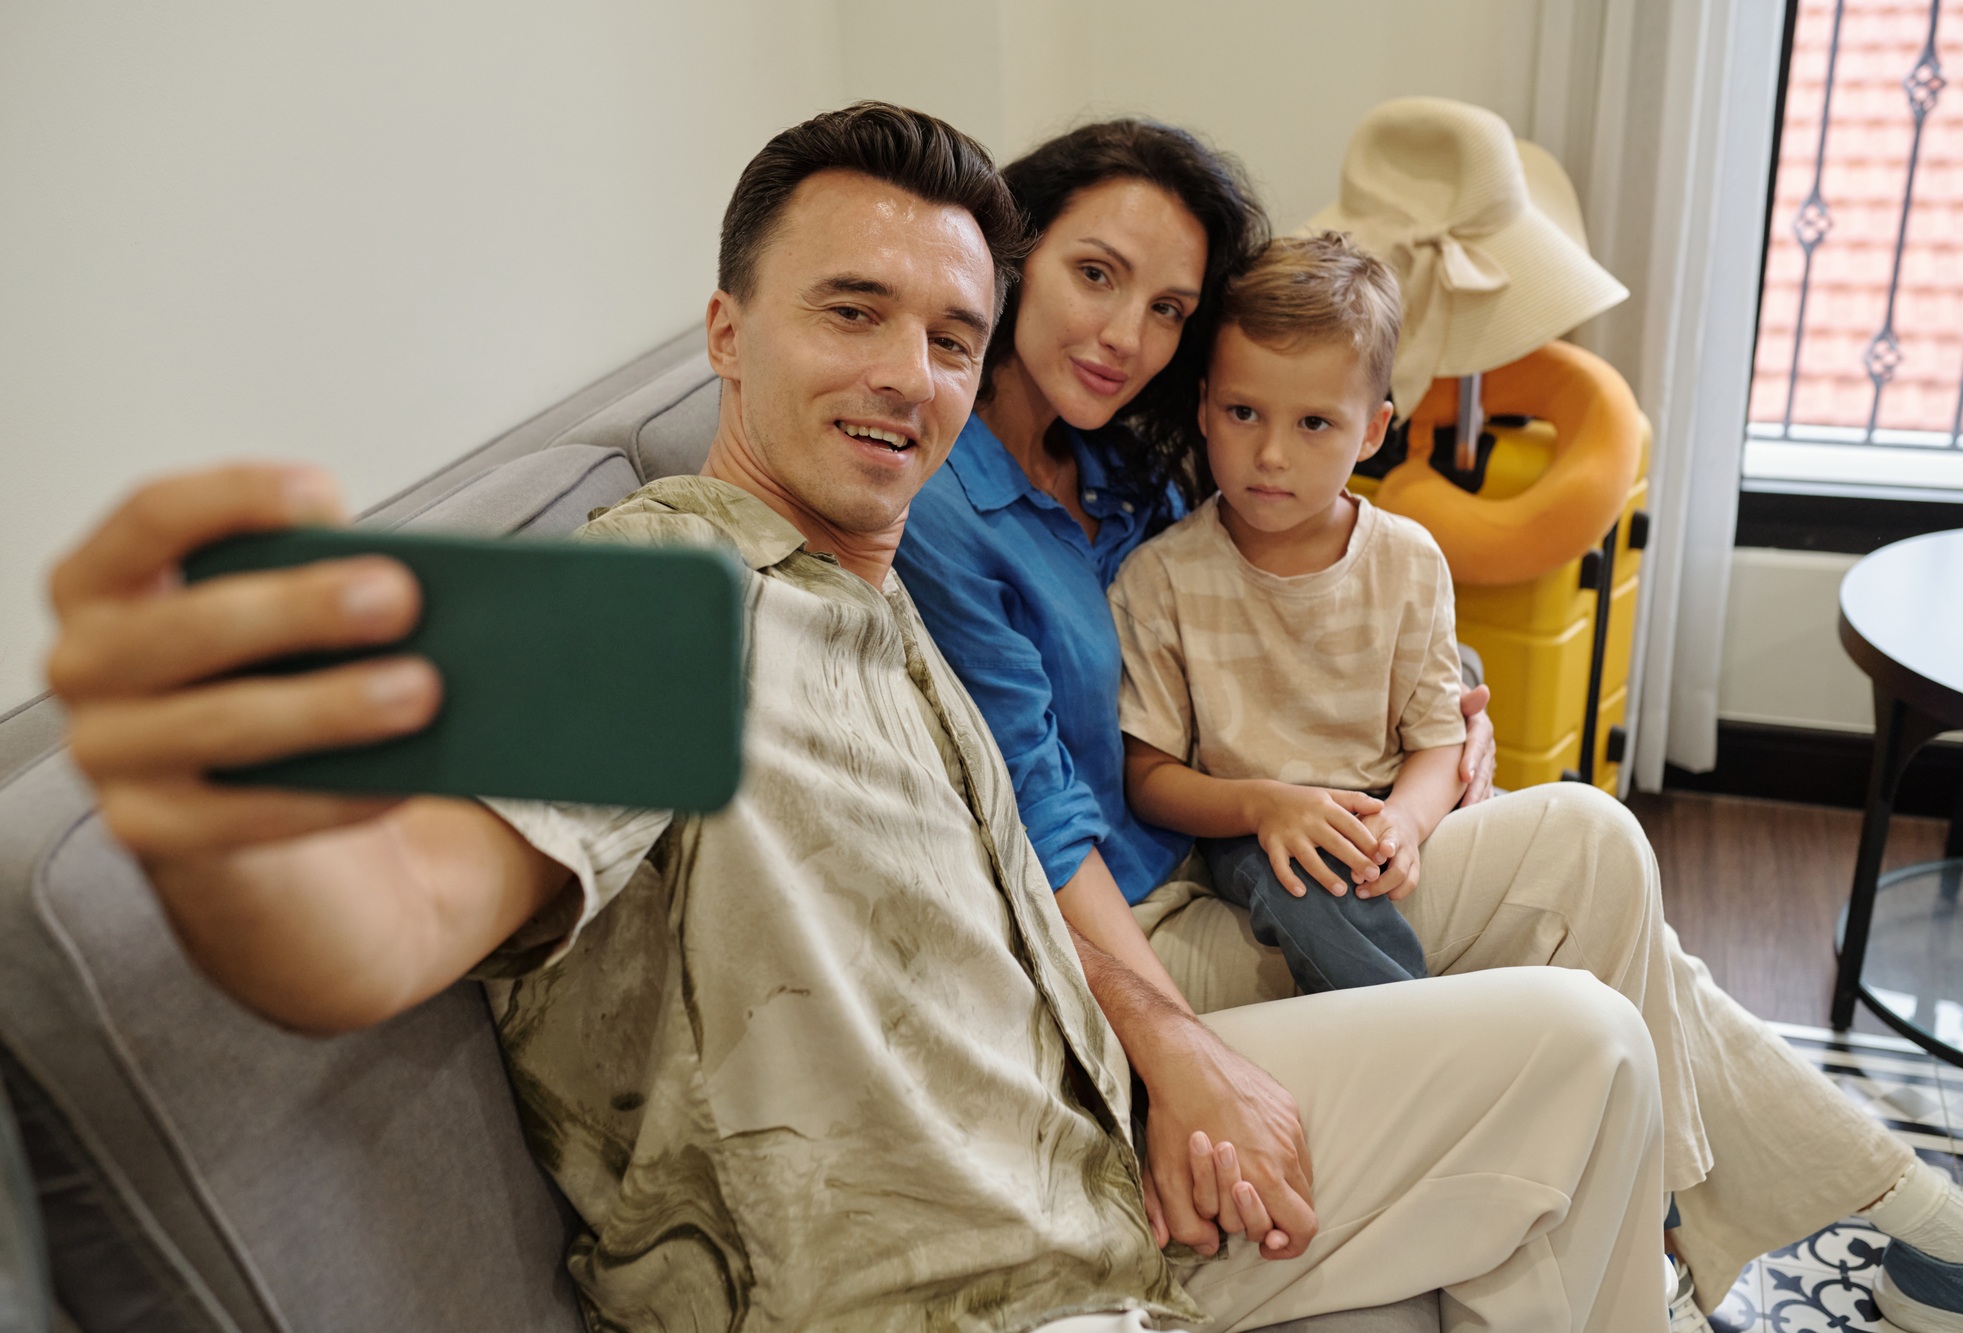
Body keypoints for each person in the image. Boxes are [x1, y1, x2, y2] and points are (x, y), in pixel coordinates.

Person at [46, 103, 1671, 1330]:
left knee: (1583, 1050)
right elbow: (387, 915)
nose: (909, 372)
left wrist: (1167, 1049)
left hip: (1093, 1167)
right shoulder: (672, 591)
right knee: (1572, 1050)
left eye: (951, 336)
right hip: (949, 1295)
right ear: (727, 335)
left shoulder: (882, 599)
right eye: (851, 312)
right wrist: (228, 816)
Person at [894, 116, 1963, 1331]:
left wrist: (1448, 715)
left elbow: (1307, 587)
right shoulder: (947, 506)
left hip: (1248, 872)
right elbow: (1047, 815)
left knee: (1589, 847)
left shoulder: (1115, 457)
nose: (1125, 336)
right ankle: (1827, 1222)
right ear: (1014, 254)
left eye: (1167, 307)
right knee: (1590, 917)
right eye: (1094, 274)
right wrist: (1164, 1044)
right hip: (1141, 937)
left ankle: (1731, 1211)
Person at [1113, 233, 1448, 996]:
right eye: (1243, 412)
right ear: (1204, 407)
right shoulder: (1162, 578)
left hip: (1382, 813)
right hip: (1249, 830)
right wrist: (1266, 804)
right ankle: (1427, 1033)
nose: (1270, 454)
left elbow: (1438, 743)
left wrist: (1406, 822)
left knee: (1578, 840)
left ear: (1372, 430)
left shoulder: (1410, 561)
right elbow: (1150, 775)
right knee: (1310, 880)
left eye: (1313, 424)